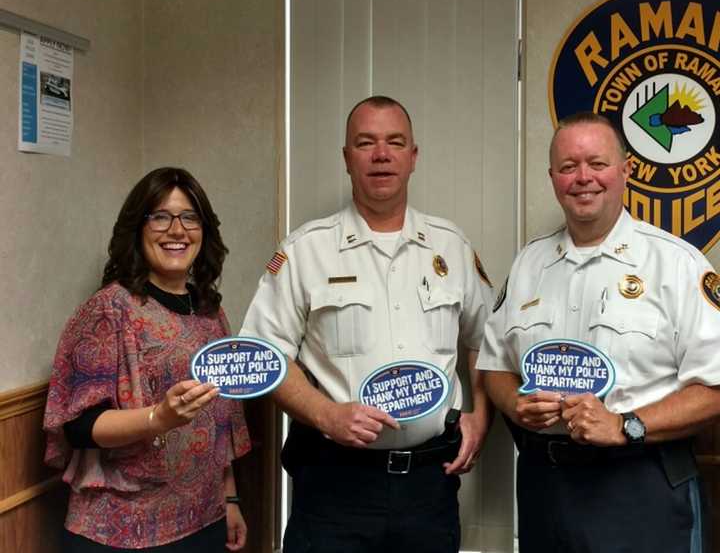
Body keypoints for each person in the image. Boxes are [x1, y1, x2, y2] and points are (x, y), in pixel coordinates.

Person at [240, 95, 495, 552]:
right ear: (346, 157)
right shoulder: (306, 251)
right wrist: (325, 414)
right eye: (366, 143)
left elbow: (485, 340)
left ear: (413, 157)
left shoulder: (450, 246)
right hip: (334, 486)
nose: (381, 154)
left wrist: (480, 415)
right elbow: (263, 355)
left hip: (429, 488)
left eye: (395, 142)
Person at [479, 112, 720, 552]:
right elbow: (494, 366)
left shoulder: (676, 264)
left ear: (626, 171)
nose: (583, 178)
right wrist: (516, 404)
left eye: (597, 163)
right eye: (568, 167)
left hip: (640, 484)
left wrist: (626, 425)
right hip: (544, 487)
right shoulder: (528, 264)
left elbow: (716, 387)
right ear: (553, 177)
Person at [43, 167, 251, 552]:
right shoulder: (110, 309)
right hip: (120, 528)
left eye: (190, 217)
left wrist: (231, 499)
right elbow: (78, 425)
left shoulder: (211, 313)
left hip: (203, 519)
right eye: (160, 216)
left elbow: (218, 422)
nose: (177, 230)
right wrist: (159, 418)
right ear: (137, 228)